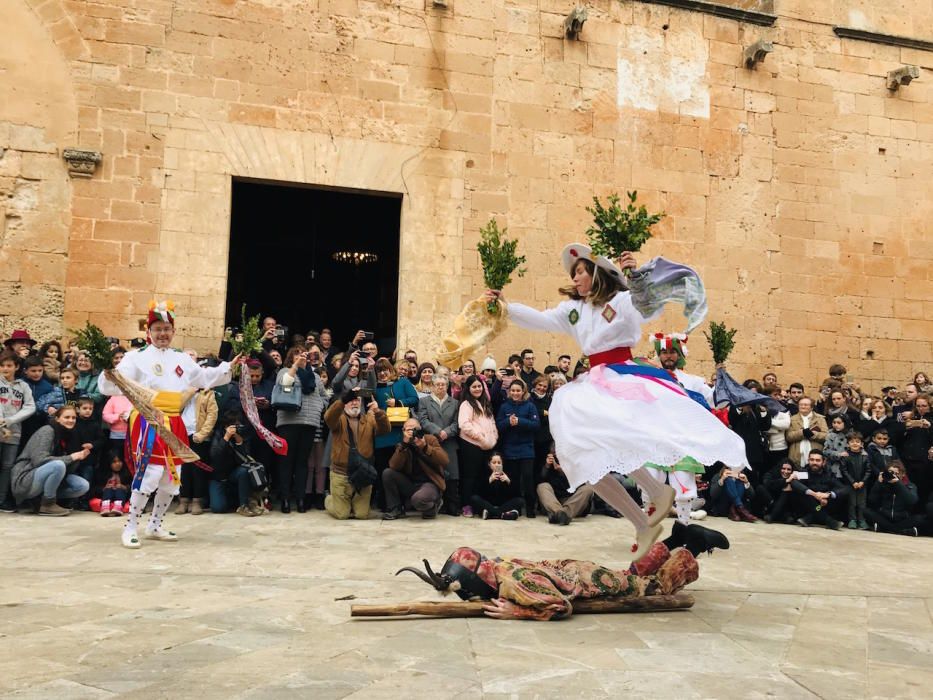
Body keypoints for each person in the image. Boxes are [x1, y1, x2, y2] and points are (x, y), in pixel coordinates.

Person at [486, 244, 749, 557]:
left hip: (620, 377)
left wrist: (635, 276)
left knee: (622, 440)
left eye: (581, 271)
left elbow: (648, 307)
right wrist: (505, 306)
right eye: (574, 273)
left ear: (597, 274)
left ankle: (656, 492)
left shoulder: (621, 300)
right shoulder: (573, 310)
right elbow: (540, 319)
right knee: (586, 462)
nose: (576, 277)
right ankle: (645, 518)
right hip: (592, 381)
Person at [98, 300, 236, 548]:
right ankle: (130, 526)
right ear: (149, 332)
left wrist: (228, 367)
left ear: (173, 331)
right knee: (149, 474)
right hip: (148, 421)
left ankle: (155, 524)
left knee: (172, 478)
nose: (163, 334)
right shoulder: (135, 357)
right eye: (157, 329)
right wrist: (108, 372)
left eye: (167, 329)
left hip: (175, 421)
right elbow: (112, 383)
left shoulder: (181, 358)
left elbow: (203, 377)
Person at [396, 521, 729, 621]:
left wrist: (518, 611)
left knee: (650, 587)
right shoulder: (499, 565)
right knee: (628, 575)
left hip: (585, 582)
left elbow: (560, 606)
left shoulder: (513, 582)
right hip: (578, 569)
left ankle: (691, 547)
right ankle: (676, 536)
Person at [643, 333, 715, 524]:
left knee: (683, 488)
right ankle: (648, 531)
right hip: (655, 439)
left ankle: (683, 529)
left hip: (683, 441)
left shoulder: (694, 382)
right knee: (649, 485)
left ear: (680, 354)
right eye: (664, 352)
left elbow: (715, 401)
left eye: (673, 352)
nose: (668, 356)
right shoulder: (650, 379)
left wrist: (721, 375)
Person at [323, 388, 390, 520]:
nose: (354, 403)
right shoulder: (338, 420)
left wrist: (378, 411)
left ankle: (350, 504)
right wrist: (342, 400)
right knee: (342, 515)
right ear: (345, 404)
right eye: (351, 401)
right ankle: (329, 499)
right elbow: (328, 417)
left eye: (357, 400)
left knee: (362, 515)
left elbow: (385, 429)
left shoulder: (369, 419)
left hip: (362, 475)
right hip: (341, 474)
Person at [11, 405, 90, 516]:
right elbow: (39, 460)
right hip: (25, 478)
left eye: (73, 418)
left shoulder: (69, 434)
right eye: (66, 417)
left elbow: (67, 469)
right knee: (58, 465)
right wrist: (71, 457)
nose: (71, 420)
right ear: (57, 418)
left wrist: (79, 457)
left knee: (82, 486)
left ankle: (39, 501)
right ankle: (47, 504)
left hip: (44, 475)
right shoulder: (47, 431)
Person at [274, 346, 319, 513]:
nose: (301, 357)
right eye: (297, 355)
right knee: (286, 462)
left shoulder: (313, 375)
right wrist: (295, 367)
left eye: (303, 354)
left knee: (302, 462)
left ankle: (300, 499)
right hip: (288, 422)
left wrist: (320, 406)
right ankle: (285, 499)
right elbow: (284, 382)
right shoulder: (285, 371)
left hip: (309, 422)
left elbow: (321, 394)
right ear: (291, 358)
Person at [372, 358, 418, 510]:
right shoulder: (374, 388)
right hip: (381, 435)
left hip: (398, 434)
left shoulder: (402, 383)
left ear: (392, 370)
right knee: (382, 469)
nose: (383, 373)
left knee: (399, 469)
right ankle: (386, 503)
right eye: (379, 371)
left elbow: (414, 399)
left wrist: (398, 402)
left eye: (385, 369)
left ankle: (404, 503)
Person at [382, 418, 447, 519]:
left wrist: (425, 447)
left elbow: (444, 460)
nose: (412, 433)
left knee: (417, 500)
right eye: (409, 430)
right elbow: (393, 466)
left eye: (415, 429)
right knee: (388, 473)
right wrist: (404, 445)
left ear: (420, 429)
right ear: (403, 431)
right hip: (411, 483)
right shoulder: (403, 444)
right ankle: (395, 509)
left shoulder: (430, 439)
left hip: (430, 483)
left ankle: (432, 508)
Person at [495, 378, 540, 517]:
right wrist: (508, 422)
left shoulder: (530, 406)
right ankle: (516, 507)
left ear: (523, 391)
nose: (515, 393)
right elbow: (498, 426)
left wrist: (520, 421)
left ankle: (530, 508)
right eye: (513, 390)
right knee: (513, 480)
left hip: (526, 449)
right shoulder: (504, 406)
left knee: (527, 478)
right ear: (509, 391)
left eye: (518, 391)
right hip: (510, 449)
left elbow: (536, 425)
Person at [416, 375, 460, 515]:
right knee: (435, 472)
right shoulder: (424, 402)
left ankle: (452, 505)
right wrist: (437, 431)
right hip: (431, 442)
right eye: (437, 384)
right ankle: (434, 503)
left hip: (449, 442)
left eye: (443, 384)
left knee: (452, 474)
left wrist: (446, 432)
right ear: (433, 386)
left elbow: (457, 423)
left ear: (447, 386)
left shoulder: (455, 403)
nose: (440, 387)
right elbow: (423, 420)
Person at [209, 411, 264, 516]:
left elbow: (245, 460)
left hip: (234, 474)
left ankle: (244, 505)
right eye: (234, 425)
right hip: (218, 477)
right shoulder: (218, 434)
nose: (237, 428)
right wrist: (226, 438)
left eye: (239, 425)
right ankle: (233, 500)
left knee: (243, 471)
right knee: (218, 508)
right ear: (226, 425)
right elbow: (215, 456)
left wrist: (239, 442)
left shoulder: (242, 435)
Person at [0, 351, 36, 511]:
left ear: (17, 367)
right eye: (2, 365)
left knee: (8, 466)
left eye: (9, 365)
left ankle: (2, 500)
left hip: (13, 431)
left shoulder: (23, 386)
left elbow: (30, 406)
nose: (5, 368)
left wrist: (10, 421)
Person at [457, 375, 497, 518]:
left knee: (482, 476)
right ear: (468, 388)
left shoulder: (485, 403)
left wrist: (494, 438)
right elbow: (464, 425)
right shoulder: (466, 405)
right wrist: (480, 438)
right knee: (469, 477)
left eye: (479, 386)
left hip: (487, 446)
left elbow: (492, 422)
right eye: (474, 386)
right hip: (471, 445)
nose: (477, 389)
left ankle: (479, 505)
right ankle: (466, 505)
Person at [537, 445, 594, 525]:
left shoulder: (574, 460)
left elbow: (583, 481)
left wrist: (565, 472)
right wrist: (546, 466)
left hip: (573, 502)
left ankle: (560, 514)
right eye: (553, 453)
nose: (555, 456)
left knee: (588, 488)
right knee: (542, 486)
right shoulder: (547, 462)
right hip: (554, 501)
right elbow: (540, 480)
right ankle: (561, 513)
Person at [791, 450, 847, 530]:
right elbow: (794, 483)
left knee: (837, 496)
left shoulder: (828, 474)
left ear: (824, 462)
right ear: (808, 460)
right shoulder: (804, 473)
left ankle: (810, 518)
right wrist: (815, 495)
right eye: (812, 460)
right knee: (804, 493)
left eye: (818, 460)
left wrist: (828, 495)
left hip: (822, 505)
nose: (814, 462)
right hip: (807, 505)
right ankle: (829, 521)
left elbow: (843, 489)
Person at [864, 461, 923, 535]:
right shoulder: (882, 484)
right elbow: (872, 500)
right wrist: (878, 483)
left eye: (896, 473)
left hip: (902, 519)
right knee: (866, 511)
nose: (893, 475)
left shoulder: (910, 486)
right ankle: (901, 531)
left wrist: (899, 484)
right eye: (891, 473)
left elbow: (912, 501)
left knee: (920, 518)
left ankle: (885, 528)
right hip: (884, 517)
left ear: (903, 474)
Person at [898, 393, 932, 508]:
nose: (921, 408)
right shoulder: (912, 417)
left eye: (924, 406)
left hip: (923, 460)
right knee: (908, 487)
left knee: (923, 489)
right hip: (908, 458)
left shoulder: (930, 419)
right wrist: (905, 428)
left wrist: (929, 426)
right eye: (918, 406)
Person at [471, 452, 524, 520]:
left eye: (499, 463)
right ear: (489, 464)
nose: (497, 465)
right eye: (494, 462)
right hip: (488, 504)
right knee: (474, 498)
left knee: (520, 501)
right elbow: (477, 492)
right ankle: (502, 514)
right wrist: (489, 480)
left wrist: (508, 481)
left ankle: (491, 514)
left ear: (502, 464)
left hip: (503, 504)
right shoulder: (483, 473)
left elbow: (516, 494)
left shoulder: (507, 473)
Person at [840, 431, 872, 529]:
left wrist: (863, 481)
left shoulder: (865, 456)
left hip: (862, 484)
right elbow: (844, 470)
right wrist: (852, 482)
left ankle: (862, 520)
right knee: (852, 503)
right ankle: (852, 520)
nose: (855, 443)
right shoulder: (845, 456)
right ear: (848, 443)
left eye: (857, 441)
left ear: (862, 444)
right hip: (850, 484)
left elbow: (868, 470)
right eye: (852, 441)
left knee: (862, 503)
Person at [787, 397, 827, 468]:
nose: (803, 406)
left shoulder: (820, 419)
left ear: (811, 407)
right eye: (801, 404)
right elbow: (788, 437)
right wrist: (802, 433)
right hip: (797, 454)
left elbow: (826, 436)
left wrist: (813, 434)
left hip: (815, 453)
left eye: (805, 405)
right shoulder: (792, 419)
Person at [763, 459, 802, 524]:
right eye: (783, 468)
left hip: (789, 506)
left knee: (787, 492)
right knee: (760, 488)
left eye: (789, 469)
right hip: (773, 502)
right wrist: (786, 481)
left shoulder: (796, 476)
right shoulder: (772, 473)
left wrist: (792, 484)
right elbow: (767, 483)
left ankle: (773, 516)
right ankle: (779, 516)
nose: (786, 471)